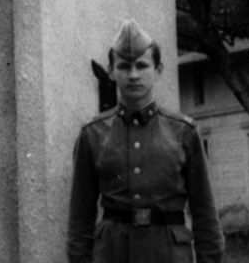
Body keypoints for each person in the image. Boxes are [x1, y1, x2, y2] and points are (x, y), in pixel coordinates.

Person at [67, 20, 224, 263]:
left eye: (142, 66)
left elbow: (206, 216)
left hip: (169, 254)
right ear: (110, 72)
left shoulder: (184, 132)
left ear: (158, 70)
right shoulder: (93, 134)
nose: (133, 75)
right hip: (112, 253)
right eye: (124, 66)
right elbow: (80, 221)